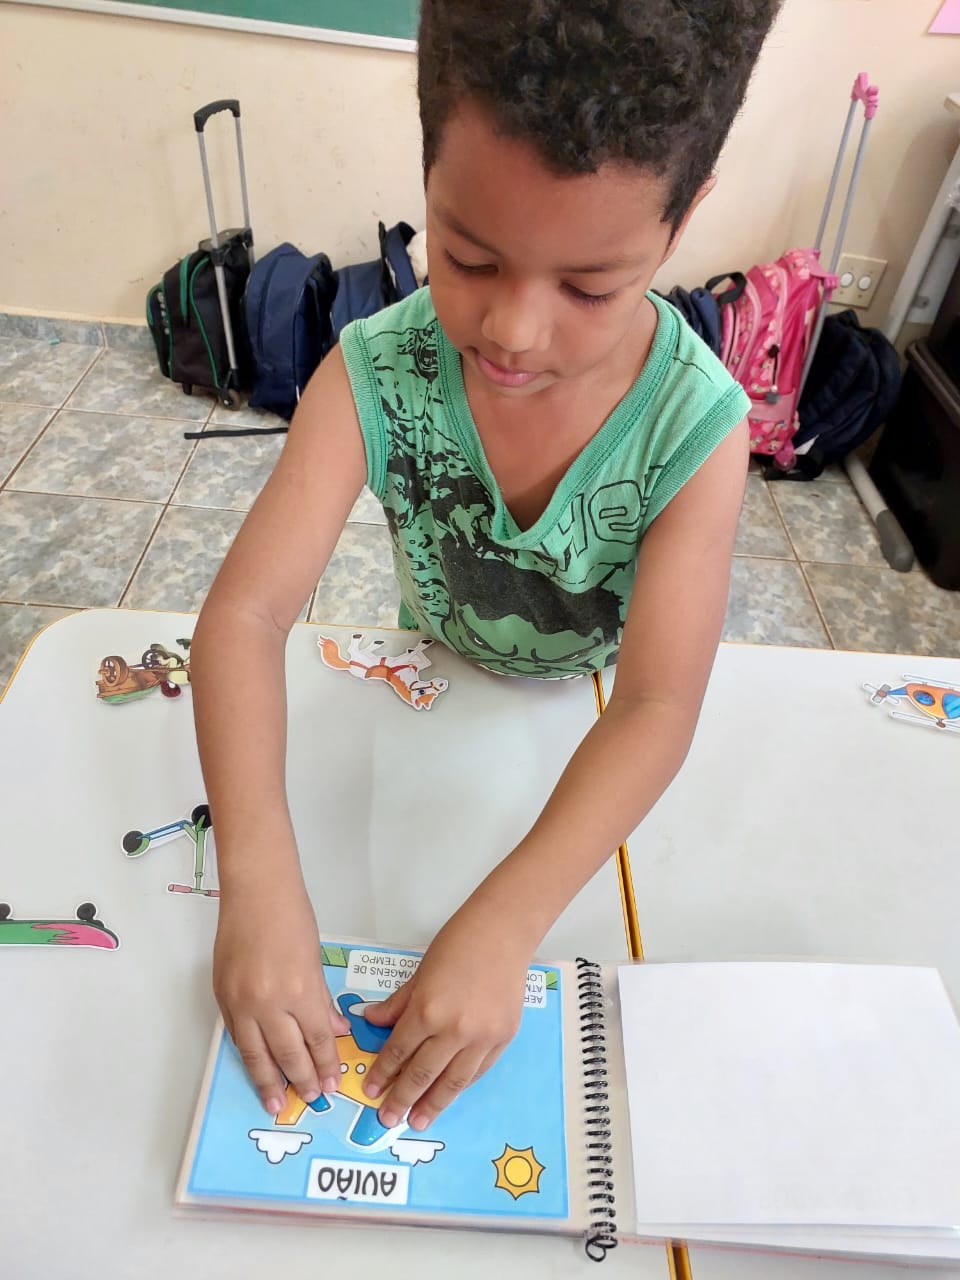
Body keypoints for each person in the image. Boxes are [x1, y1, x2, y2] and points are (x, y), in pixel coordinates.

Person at [191, 0, 780, 1136]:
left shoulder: (695, 428)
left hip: (583, 730)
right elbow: (246, 617)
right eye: (467, 257)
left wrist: (508, 923)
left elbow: (656, 706)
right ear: (427, 176)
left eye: (589, 287)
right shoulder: (374, 370)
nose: (513, 330)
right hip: (428, 707)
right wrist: (256, 882)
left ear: (682, 220)